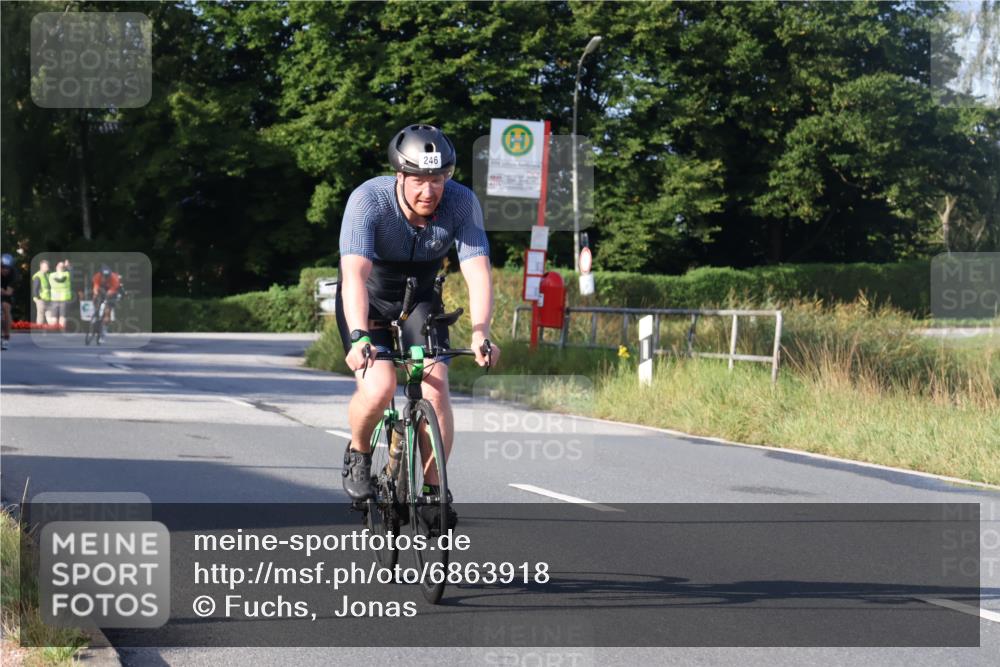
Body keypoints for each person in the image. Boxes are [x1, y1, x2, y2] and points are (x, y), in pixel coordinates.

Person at [336, 124, 501, 529]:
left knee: (436, 385)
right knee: (379, 387)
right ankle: (358, 453)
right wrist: (359, 336)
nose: (430, 192)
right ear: (400, 176)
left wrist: (481, 331)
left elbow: (477, 271)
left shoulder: (461, 203)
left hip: (421, 298)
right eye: (420, 181)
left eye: (438, 180)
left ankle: (431, 490)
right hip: (370, 299)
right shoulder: (368, 200)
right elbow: (354, 275)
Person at [1, 253, 18, 350]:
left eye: (7, 268)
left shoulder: (13, 274)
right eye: (2, 267)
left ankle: (6, 337)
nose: (5, 270)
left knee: (5, 307)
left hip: (7, 295)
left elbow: (8, 292)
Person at [49, 260, 73, 329]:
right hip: (64, 298)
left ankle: (53, 331)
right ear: (64, 268)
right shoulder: (67, 275)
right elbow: (71, 272)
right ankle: (62, 330)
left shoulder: (51, 275)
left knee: (54, 316)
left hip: (55, 298)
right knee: (63, 316)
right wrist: (68, 266)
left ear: (56, 267)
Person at [31, 259, 51, 325]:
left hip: (48, 298)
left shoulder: (48, 275)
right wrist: (37, 297)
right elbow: (35, 288)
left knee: (50, 316)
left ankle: (52, 331)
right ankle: (39, 331)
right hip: (41, 299)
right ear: (41, 266)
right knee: (40, 316)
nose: (48, 268)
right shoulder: (38, 276)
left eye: (48, 266)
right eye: (46, 266)